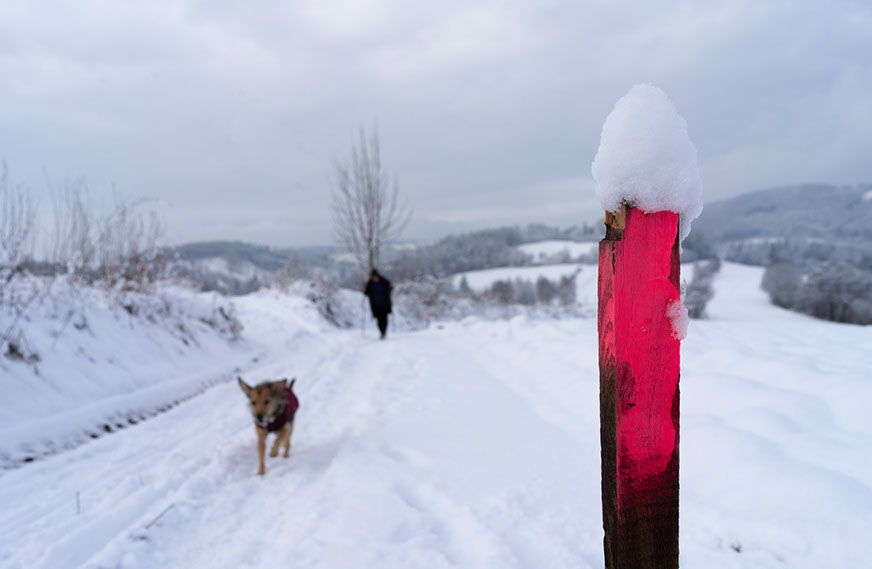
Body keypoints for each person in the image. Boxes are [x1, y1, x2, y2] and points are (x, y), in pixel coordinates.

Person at [363, 269, 393, 339]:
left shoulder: (384, 281)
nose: (374, 278)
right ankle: (382, 331)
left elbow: (390, 289)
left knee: (384, 318)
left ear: (378, 276)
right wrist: (364, 290)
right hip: (375, 305)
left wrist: (391, 287)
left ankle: (384, 331)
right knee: (379, 319)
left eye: (375, 277)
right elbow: (367, 293)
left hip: (385, 304)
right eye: (373, 277)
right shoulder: (370, 283)